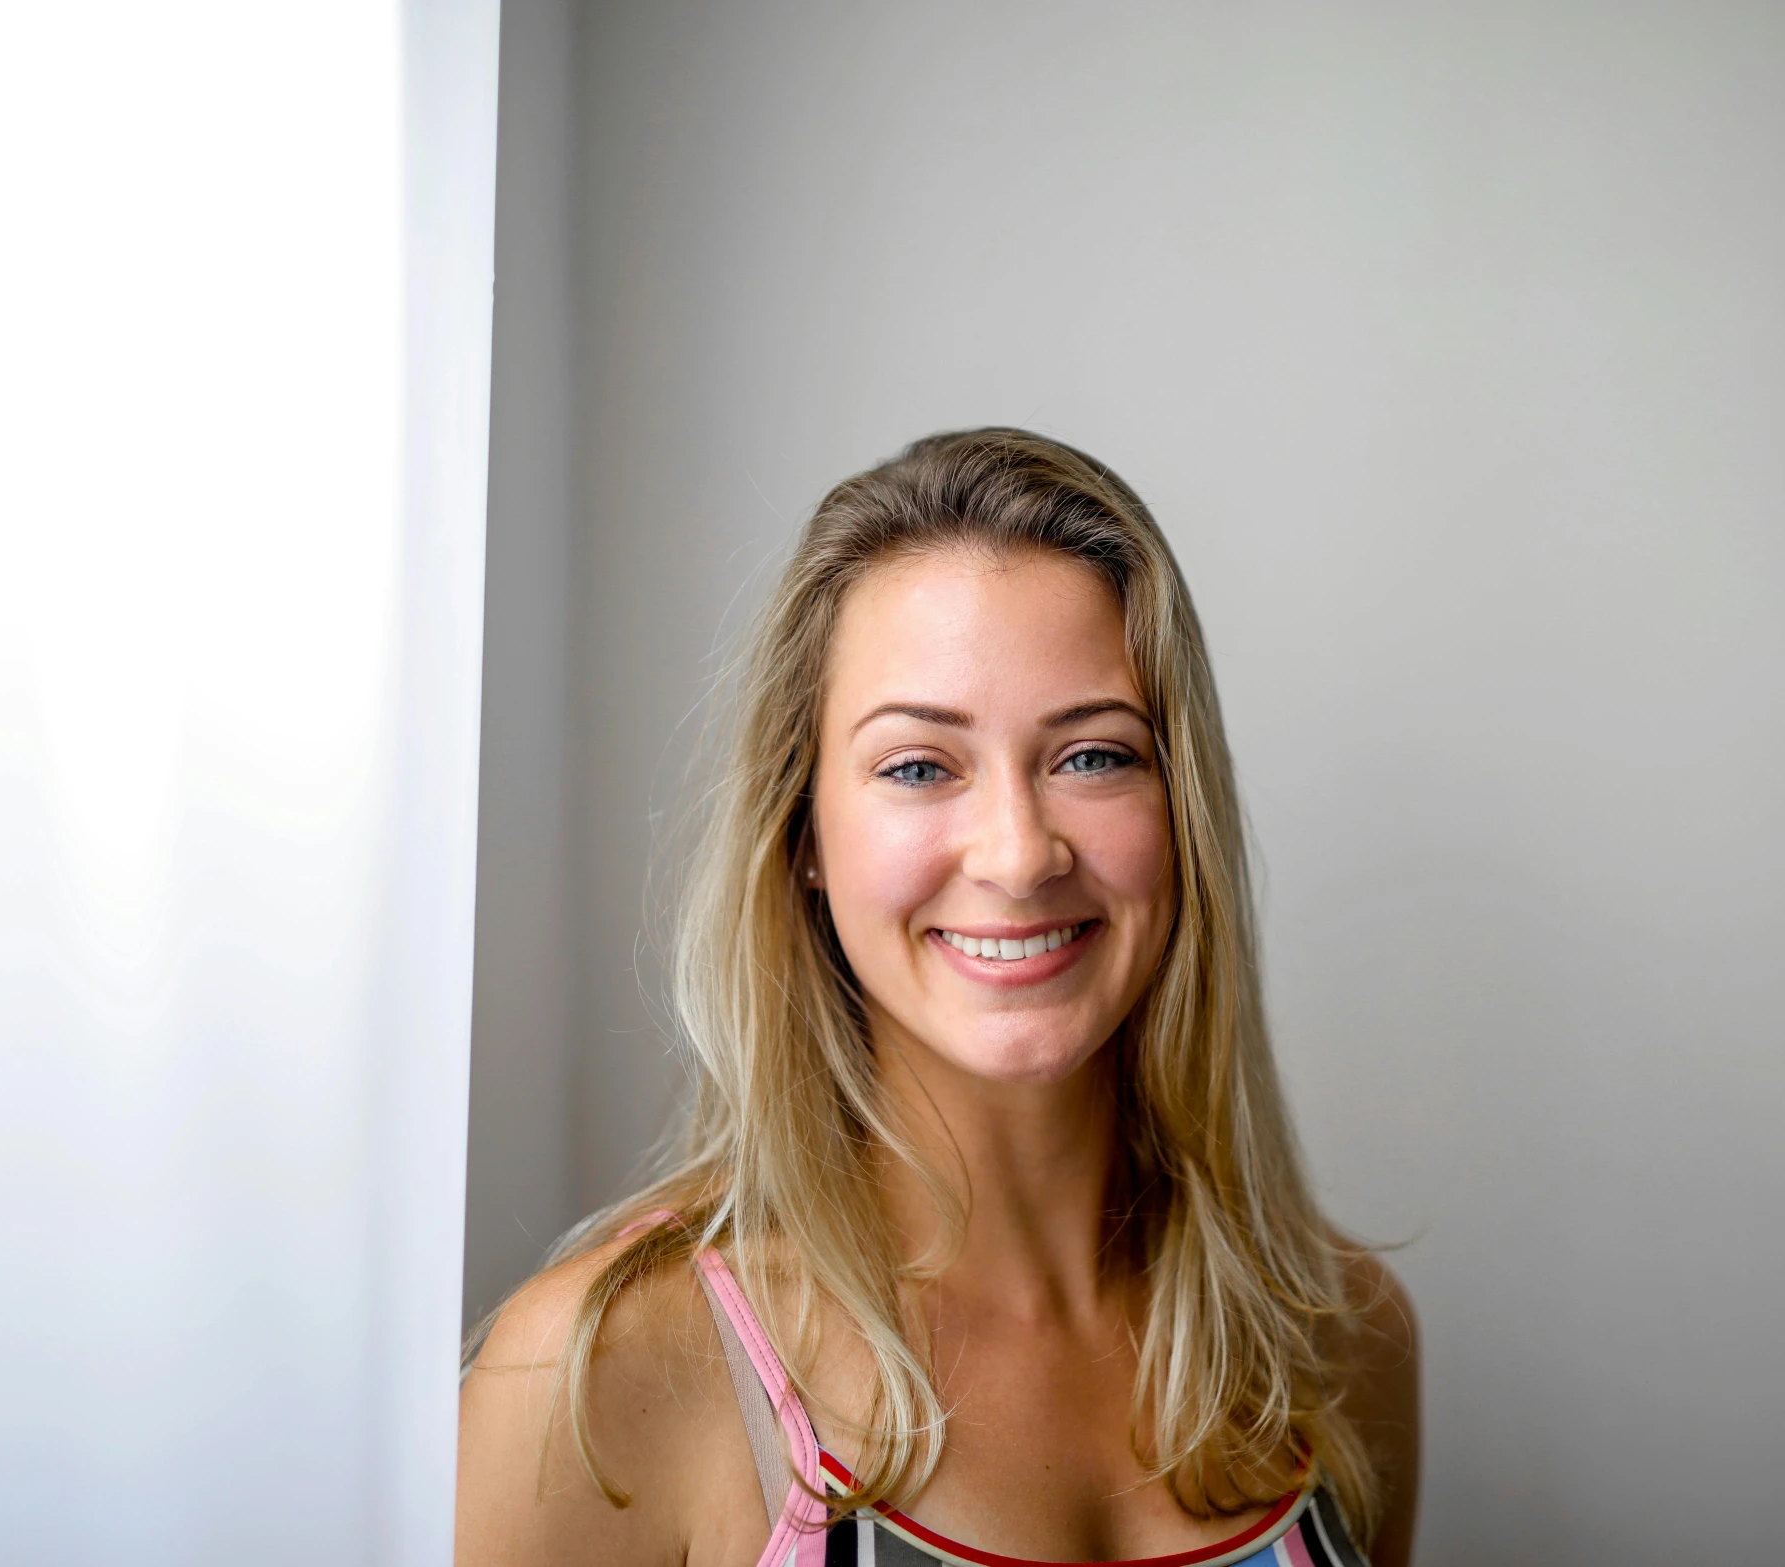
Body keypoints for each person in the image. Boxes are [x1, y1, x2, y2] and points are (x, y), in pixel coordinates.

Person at [456, 428, 1419, 1567]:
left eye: (1094, 755)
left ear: (1182, 811)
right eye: (919, 766)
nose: (1018, 855)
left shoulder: (1341, 1336)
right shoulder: (602, 1373)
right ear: (802, 833)